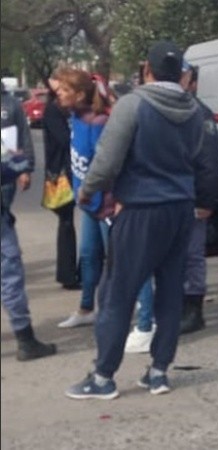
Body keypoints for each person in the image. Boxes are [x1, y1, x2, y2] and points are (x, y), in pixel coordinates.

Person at [65, 41, 216, 399]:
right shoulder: (194, 110)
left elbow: (107, 160)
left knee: (117, 292)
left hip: (140, 210)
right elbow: (198, 156)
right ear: (182, 73)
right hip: (181, 209)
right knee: (169, 293)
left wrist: (87, 193)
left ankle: (103, 377)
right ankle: (159, 372)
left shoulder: (133, 104)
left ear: (146, 70)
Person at [54, 68, 154, 330]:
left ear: (78, 94)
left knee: (124, 259)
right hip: (88, 202)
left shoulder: (99, 123)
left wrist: (116, 198)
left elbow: (112, 162)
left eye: (64, 90)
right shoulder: (75, 117)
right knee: (88, 255)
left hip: (106, 204)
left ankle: (147, 316)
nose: (58, 94)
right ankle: (87, 308)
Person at [1, 83, 57, 362]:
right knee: (9, 270)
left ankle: (25, 338)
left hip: (4, 194)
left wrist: (24, 168)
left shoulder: (10, 104)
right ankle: (25, 338)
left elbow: (20, 138)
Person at [177, 62, 218, 334]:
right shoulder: (171, 108)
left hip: (193, 196)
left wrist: (206, 201)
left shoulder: (200, 113)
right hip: (174, 195)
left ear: (193, 83)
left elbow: (209, 162)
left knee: (192, 255)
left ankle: (194, 309)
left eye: (184, 78)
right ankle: (178, 304)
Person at [41, 78, 80, 289]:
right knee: (66, 223)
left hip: (67, 172)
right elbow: (64, 140)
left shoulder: (69, 111)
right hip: (60, 175)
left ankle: (74, 272)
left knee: (69, 224)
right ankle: (67, 274)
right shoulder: (53, 111)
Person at [0, 82, 34, 215]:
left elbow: (24, 135)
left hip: (6, 175)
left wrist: (25, 169)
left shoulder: (12, 103)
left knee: (4, 219)